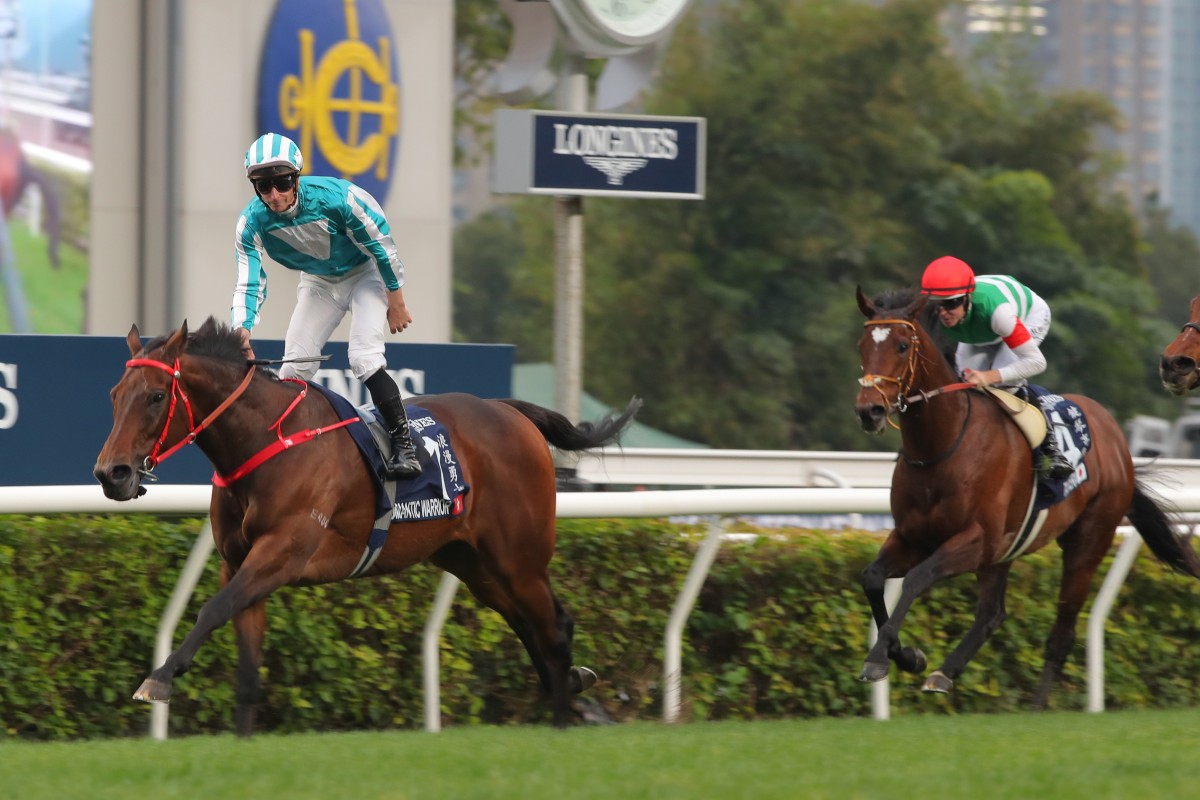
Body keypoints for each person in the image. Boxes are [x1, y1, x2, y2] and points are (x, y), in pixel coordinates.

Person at [231, 132, 420, 479]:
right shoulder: (251, 222)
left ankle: (404, 447)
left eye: (282, 182)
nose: (274, 195)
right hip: (319, 283)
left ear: (297, 178)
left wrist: (397, 301)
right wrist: (242, 329)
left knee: (363, 357)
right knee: (292, 370)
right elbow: (250, 280)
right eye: (263, 186)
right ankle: (286, 452)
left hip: (366, 274)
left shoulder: (339, 199)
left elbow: (382, 246)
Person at [919, 255, 1075, 480]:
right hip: (981, 329)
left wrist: (990, 375)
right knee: (963, 385)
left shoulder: (998, 313)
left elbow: (1037, 362)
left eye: (951, 303)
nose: (943, 312)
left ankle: (1050, 450)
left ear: (967, 298)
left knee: (1005, 383)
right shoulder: (938, 314)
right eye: (938, 305)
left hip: (1025, 316)